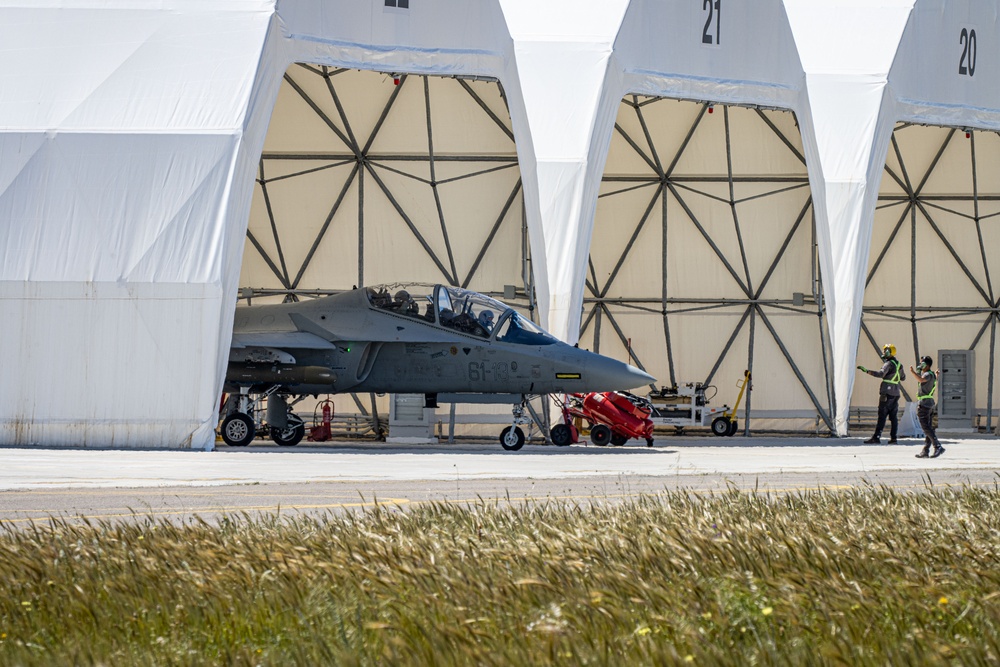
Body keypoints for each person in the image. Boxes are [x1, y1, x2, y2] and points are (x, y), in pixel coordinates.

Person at [857, 343, 905, 444]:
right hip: (896, 393)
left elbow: (880, 374)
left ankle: (876, 437)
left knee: (882, 416)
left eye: (885, 351)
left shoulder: (888, 364)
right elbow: (903, 377)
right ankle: (893, 438)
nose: (883, 352)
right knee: (893, 417)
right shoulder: (899, 365)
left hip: (886, 394)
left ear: (889, 352)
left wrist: (867, 371)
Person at [909, 356, 944, 458]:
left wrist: (913, 372)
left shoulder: (927, 374)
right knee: (928, 427)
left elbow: (921, 380)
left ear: (927, 365)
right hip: (929, 403)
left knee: (926, 428)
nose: (920, 365)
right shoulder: (932, 374)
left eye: (922, 363)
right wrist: (936, 375)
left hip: (924, 404)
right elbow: (932, 381)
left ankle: (937, 446)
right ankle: (926, 450)